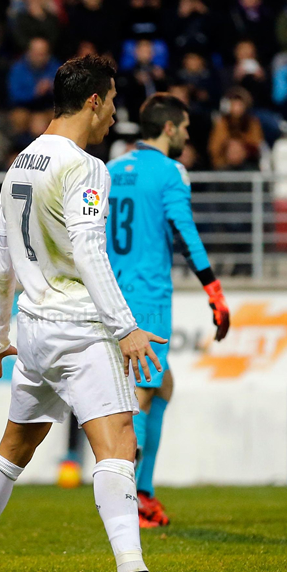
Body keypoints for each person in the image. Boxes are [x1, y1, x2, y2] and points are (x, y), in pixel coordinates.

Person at [0, 55, 203, 572]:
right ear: (94, 101)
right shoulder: (86, 167)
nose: (114, 118)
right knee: (119, 443)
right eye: (111, 104)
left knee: (12, 448)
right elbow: (88, 250)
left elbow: (0, 257)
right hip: (80, 328)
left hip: (32, 330)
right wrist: (125, 325)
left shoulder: (21, 163)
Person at [106, 93, 230, 528]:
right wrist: (213, 289)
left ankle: (142, 490)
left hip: (114, 293)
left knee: (162, 385)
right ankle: (131, 500)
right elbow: (183, 230)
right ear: (170, 127)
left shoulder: (113, 168)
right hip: (148, 295)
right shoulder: (171, 170)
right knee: (140, 395)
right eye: (186, 127)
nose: (189, 134)